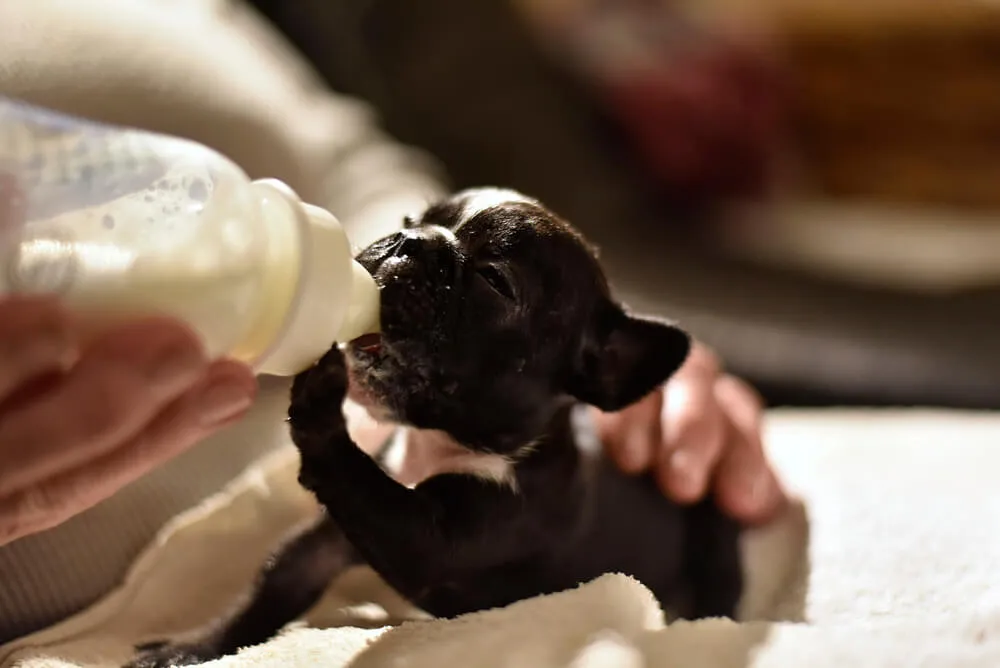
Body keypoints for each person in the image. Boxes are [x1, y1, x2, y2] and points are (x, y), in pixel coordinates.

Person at [0, 0, 785, 643]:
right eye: (417, 235)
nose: (411, 245)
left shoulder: (522, 480)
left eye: (489, 281)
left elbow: (362, 169)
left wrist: (404, 253)